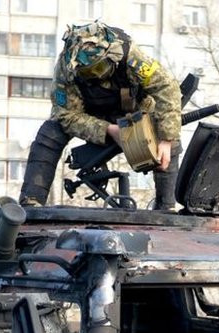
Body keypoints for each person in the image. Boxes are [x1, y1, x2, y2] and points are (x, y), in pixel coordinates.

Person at [20, 21, 182, 209]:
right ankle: (31, 201)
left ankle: (166, 206)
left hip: (134, 112)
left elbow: (166, 87)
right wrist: (108, 130)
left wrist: (166, 140)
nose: (96, 75)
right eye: (89, 72)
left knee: (166, 130)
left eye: (99, 69)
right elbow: (64, 114)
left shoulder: (129, 55)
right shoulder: (67, 67)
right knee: (50, 132)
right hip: (90, 117)